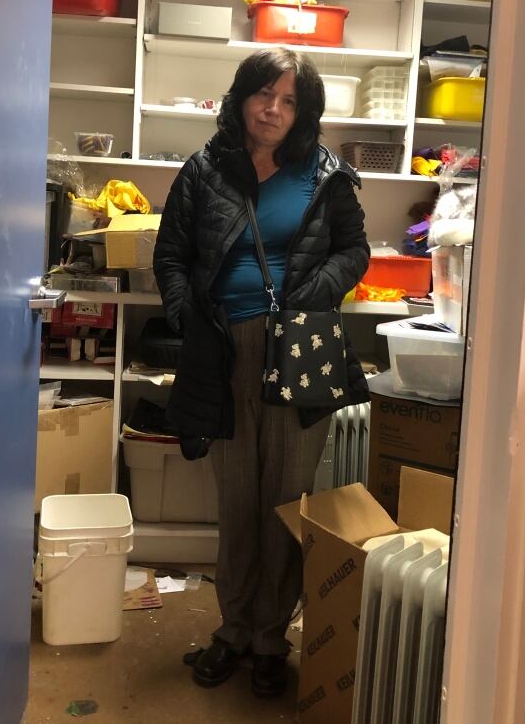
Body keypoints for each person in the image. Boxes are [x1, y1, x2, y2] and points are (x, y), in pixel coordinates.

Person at [152, 48, 369, 699]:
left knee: (284, 503)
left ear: (303, 110)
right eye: (262, 95)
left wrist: (319, 290)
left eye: (288, 99)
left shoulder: (325, 175)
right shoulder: (203, 170)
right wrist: (188, 315)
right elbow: (171, 254)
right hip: (223, 349)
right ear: (241, 98)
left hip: (300, 348)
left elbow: (354, 248)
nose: (272, 109)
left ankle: (273, 638)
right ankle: (235, 630)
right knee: (236, 501)